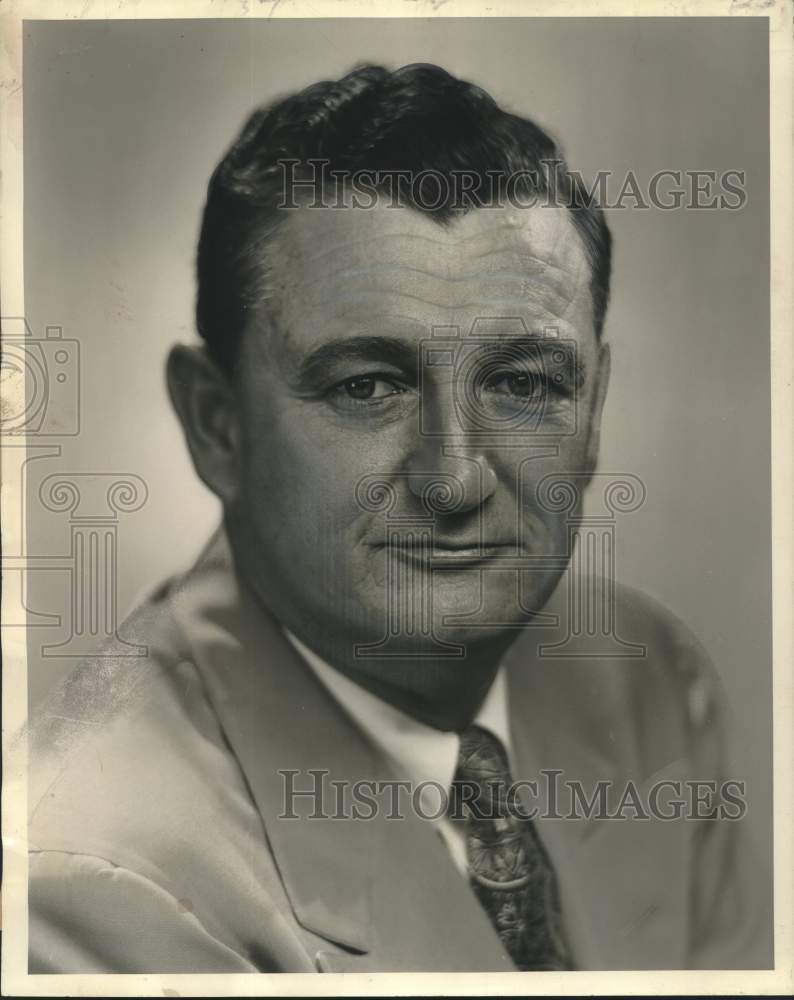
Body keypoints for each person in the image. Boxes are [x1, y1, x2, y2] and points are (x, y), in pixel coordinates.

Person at [28, 63, 770, 973]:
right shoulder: (89, 881)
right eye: (367, 386)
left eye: (525, 384)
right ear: (217, 426)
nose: (455, 479)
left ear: (595, 409)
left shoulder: (653, 686)